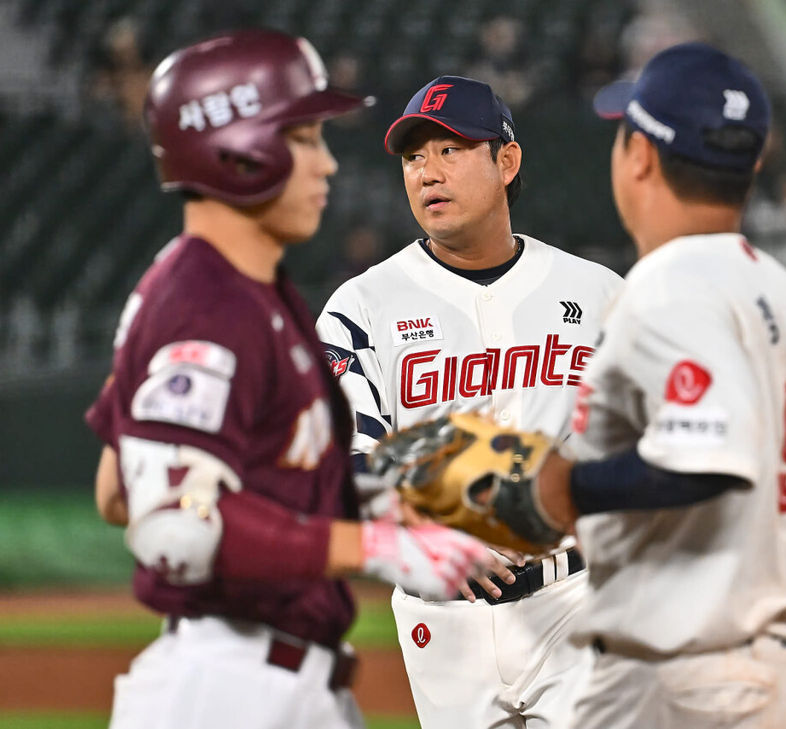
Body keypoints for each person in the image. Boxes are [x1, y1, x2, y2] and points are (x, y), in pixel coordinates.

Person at [84, 30, 488, 729]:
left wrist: (386, 502)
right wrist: (374, 544)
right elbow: (172, 525)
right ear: (236, 150)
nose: (328, 164)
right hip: (231, 689)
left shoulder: (244, 291)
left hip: (269, 679)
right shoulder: (205, 301)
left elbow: (119, 486)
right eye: (303, 139)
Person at [521, 43, 786, 727]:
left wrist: (565, 488)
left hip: (688, 680)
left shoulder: (665, 288)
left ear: (639, 158)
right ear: (750, 166)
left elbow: (707, 454)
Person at [315, 76, 623, 728]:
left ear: (505, 161)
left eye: (449, 149)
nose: (428, 171)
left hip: (574, 596)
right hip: (441, 618)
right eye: (413, 156)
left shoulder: (597, 293)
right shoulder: (361, 308)